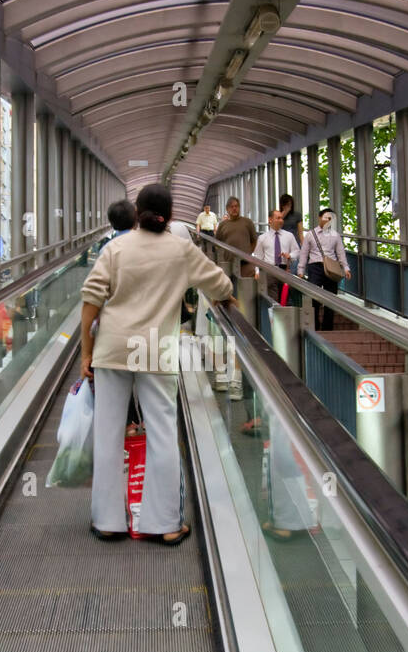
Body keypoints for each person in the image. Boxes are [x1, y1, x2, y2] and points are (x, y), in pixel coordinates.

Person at [81, 183, 235, 544]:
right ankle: (163, 524)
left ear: (137, 212)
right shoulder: (182, 250)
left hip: (113, 348)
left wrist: (86, 353)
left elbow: (91, 301)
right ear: (170, 215)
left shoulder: (116, 248)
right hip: (154, 350)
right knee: (163, 433)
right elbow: (222, 286)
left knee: (108, 433)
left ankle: (108, 522)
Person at [298, 206, 352, 330]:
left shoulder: (335, 235)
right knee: (313, 297)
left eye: (330, 218)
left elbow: (340, 253)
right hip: (315, 267)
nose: (328, 220)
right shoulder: (311, 235)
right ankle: (315, 326)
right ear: (319, 218)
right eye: (326, 217)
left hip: (332, 268)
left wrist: (346, 268)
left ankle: (328, 327)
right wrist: (300, 270)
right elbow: (304, 253)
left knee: (331, 298)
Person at [253, 207, 300, 302]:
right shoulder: (262, 238)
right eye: (278, 218)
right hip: (269, 271)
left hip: (284, 271)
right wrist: (257, 271)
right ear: (270, 220)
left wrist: (289, 255)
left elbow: (297, 251)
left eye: (281, 218)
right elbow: (258, 257)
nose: (281, 220)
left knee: (284, 300)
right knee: (272, 301)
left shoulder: (289, 236)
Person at [214, 196, 257, 279]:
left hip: (246, 264)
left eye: (236, 206)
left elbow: (254, 241)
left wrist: (248, 254)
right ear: (227, 209)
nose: (234, 208)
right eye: (231, 206)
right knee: (230, 289)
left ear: (239, 207)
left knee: (246, 289)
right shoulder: (223, 225)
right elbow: (217, 243)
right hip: (228, 264)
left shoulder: (247, 222)